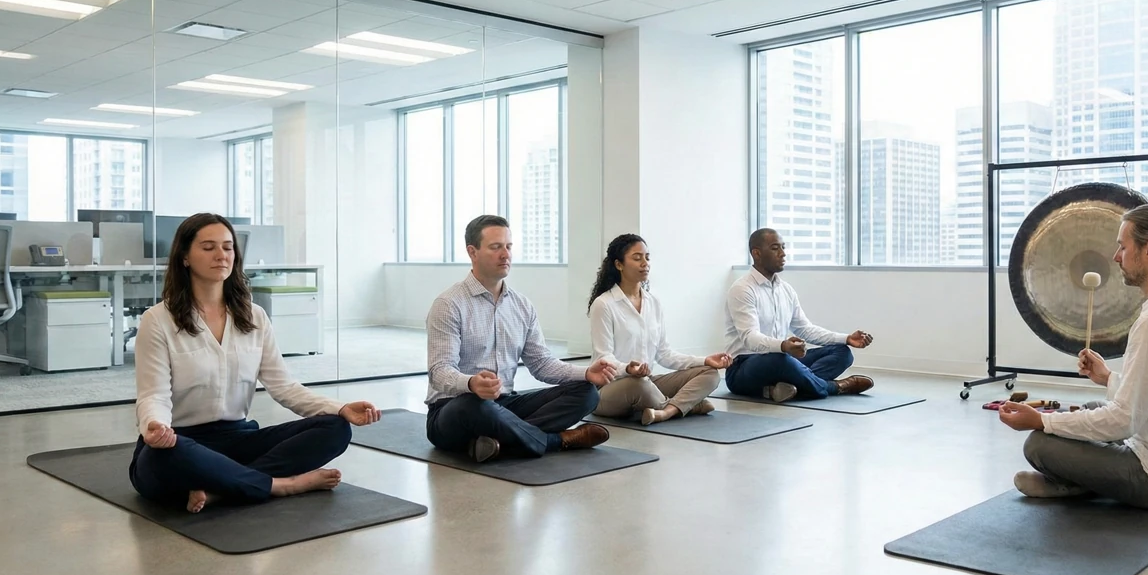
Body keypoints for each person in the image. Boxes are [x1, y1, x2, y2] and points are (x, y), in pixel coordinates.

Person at [132, 213, 381, 514]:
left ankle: (223, 486)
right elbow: (153, 394)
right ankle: (281, 485)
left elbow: (284, 387)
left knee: (336, 429)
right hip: (182, 441)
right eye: (208, 247)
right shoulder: (158, 320)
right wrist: (154, 426)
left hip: (238, 439)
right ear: (185, 257)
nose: (221, 255)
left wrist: (339, 408)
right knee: (161, 456)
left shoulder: (254, 316)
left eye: (227, 247)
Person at [998, 203, 1148, 514]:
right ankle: (1080, 482)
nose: (1115, 256)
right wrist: (1108, 378)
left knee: (1041, 444)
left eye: (1122, 246)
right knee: (1093, 409)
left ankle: (1076, 483)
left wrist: (1041, 419)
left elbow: (1123, 421)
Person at [425, 215, 616, 463]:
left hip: (504, 405)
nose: (505, 254)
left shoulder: (521, 305)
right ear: (472, 252)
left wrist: (586, 373)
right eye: (496, 247)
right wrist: (470, 383)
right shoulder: (449, 304)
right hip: (453, 410)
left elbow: (542, 364)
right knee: (473, 406)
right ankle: (557, 440)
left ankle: (497, 442)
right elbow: (439, 372)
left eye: (509, 246)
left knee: (587, 393)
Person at [588, 234, 731, 425]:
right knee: (639, 385)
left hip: (648, 382)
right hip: (610, 388)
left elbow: (665, 354)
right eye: (637, 258)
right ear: (619, 264)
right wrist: (628, 369)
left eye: (647, 257)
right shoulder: (604, 304)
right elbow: (603, 358)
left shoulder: (653, 302)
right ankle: (688, 405)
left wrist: (705, 360)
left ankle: (666, 411)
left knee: (710, 373)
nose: (645, 263)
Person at [722, 228, 874, 402]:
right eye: (775, 248)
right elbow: (750, 338)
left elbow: (805, 329)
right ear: (756, 253)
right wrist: (783, 346)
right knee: (780, 359)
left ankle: (787, 388)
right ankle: (835, 387)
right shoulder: (742, 289)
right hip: (743, 368)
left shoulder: (786, 290)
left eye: (783, 247)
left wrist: (846, 338)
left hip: (783, 360)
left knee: (842, 352)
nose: (783, 253)